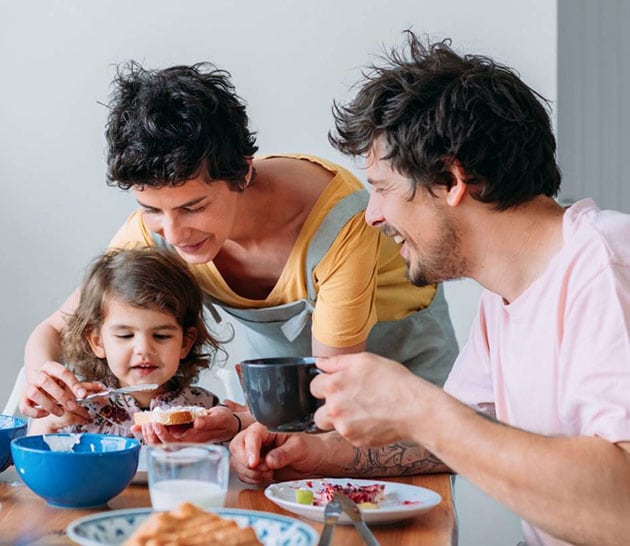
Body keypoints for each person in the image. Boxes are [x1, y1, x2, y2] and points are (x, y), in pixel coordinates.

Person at [230, 33, 630, 545]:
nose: (372, 215)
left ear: (450, 179)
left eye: (381, 188)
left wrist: (417, 405)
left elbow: (621, 505)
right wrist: (311, 451)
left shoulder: (606, 266)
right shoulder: (505, 292)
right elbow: (452, 438)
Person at [20, 60, 459, 441]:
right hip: (291, 391)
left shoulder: (342, 225)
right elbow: (55, 329)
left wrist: (237, 423)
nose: (172, 233)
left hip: (394, 369)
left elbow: (334, 393)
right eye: (152, 209)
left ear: (243, 174)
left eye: (194, 207)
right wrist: (45, 380)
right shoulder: (158, 226)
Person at [28, 247, 244, 444]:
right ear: (97, 342)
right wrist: (48, 423)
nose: (143, 349)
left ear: (185, 343)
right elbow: (35, 457)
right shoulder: (80, 407)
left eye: (160, 336)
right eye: (125, 335)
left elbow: (224, 468)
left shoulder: (205, 409)